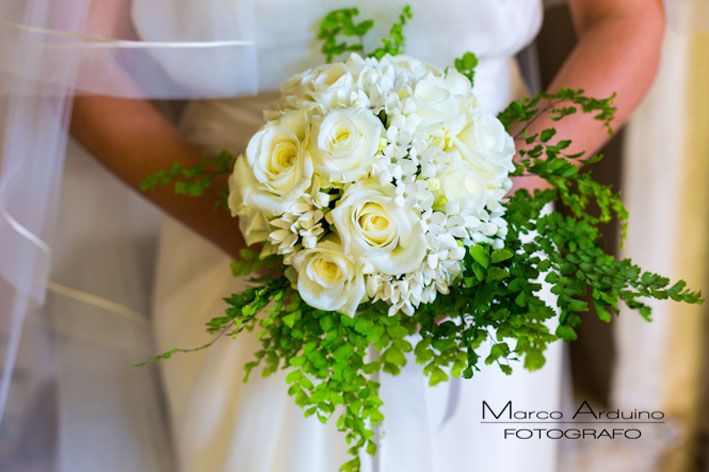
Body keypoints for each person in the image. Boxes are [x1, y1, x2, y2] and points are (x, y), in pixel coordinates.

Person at [1, 0, 664, 471]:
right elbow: (73, 64)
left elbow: (625, 16)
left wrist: (484, 207)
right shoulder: (246, 233)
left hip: (488, 231)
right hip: (235, 239)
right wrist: (271, 232)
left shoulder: (488, 210)